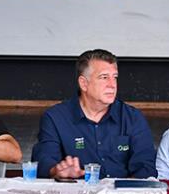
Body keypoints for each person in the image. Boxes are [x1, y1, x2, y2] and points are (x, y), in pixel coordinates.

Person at [32, 49, 157, 179]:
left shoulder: (133, 118)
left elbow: (146, 167)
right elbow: (44, 161)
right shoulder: (55, 118)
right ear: (84, 84)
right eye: (104, 77)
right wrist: (57, 171)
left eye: (114, 77)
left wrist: (125, 192)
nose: (112, 85)